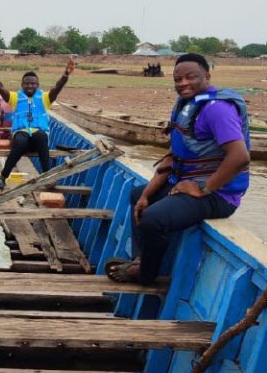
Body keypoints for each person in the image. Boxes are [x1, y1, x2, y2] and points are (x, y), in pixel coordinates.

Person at [106, 53, 250, 285]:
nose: (183, 83)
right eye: (177, 79)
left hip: (219, 195)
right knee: (138, 196)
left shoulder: (217, 109)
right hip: (187, 183)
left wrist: (203, 188)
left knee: (154, 218)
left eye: (190, 77)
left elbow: (240, 157)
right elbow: (174, 159)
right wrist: (146, 194)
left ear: (207, 76)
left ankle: (146, 274)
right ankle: (141, 259)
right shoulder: (187, 105)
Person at [0, 55, 74, 189]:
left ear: (37, 85)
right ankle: (3, 177)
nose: (30, 86)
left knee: (41, 137)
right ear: (22, 85)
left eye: (33, 83)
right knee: (20, 141)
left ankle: (47, 177)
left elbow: (57, 87)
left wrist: (65, 74)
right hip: (21, 135)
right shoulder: (15, 97)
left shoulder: (45, 98)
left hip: (38, 138)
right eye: (27, 83)